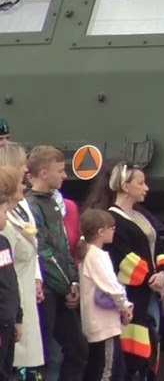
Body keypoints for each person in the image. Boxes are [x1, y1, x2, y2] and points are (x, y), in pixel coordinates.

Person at [84, 162, 164, 381]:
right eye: (140, 183)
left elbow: (161, 248)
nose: (146, 188)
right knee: (131, 353)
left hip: (152, 294)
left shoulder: (143, 215)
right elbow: (121, 258)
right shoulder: (111, 219)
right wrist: (152, 279)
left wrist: (163, 273)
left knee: (152, 342)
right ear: (125, 186)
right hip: (132, 296)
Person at [26, 146, 88, 381]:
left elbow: (65, 247)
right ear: (43, 173)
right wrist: (67, 285)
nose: (65, 175)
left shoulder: (53, 202)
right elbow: (44, 250)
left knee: (78, 350)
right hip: (47, 290)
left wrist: (74, 281)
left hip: (61, 288)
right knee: (44, 354)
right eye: (60, 171)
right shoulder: (32, 205)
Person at [78, 208, 133, 381]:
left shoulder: (87, 253)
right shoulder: (97, 255)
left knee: (100, 367)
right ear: (101, 232)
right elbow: (112, 286)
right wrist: (125, 306)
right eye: (111, 228)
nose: (114, 231)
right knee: (109, 371)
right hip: (104, 326)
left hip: (99, 325)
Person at [0, 166, 26, 378]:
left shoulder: (4, 243)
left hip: (8, 322)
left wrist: (18, 317)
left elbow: (10, 281)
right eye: (3, 212)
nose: (6, 217)